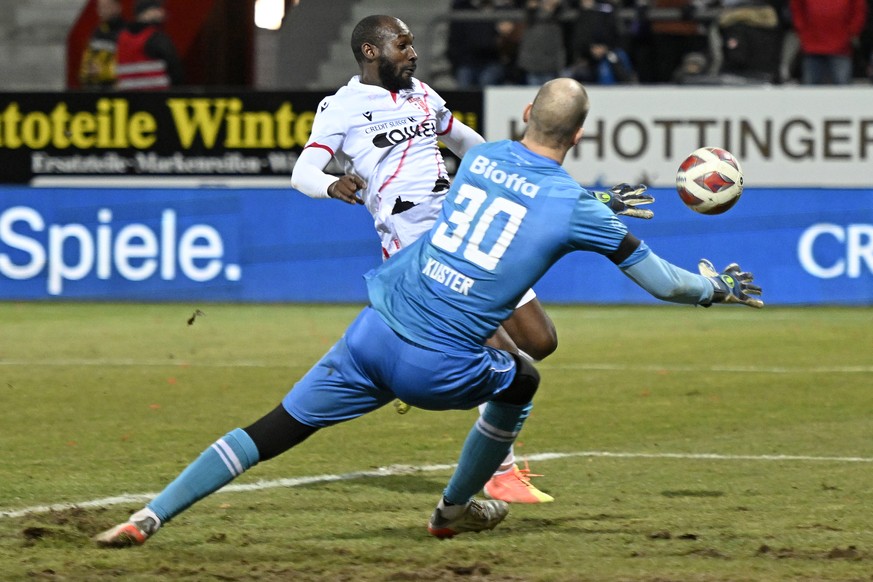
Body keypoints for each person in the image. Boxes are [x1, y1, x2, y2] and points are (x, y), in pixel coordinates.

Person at [93, 76, 763, 548]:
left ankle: (149, 517)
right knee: (524, 373)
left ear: (525, 111)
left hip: (372, 329)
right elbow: (663, 282)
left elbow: (508, 185)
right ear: (581, 134)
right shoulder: (573, 206)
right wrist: (715, 289)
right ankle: (451, 511)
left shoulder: (479, 161)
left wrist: (591, 206)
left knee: (271, 428)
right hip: (434, 366)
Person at [290, 15, 561, 504]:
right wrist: (331, 184)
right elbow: (302, 171)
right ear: (372, 52)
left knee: (541, 342)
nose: (413, 53)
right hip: (417, 245)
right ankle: (499, 468)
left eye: (413, 43)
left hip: (464, 229)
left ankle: (425, 383)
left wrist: (492, 174)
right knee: (499, 354)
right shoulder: (342, 107)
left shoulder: (422, 94)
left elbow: (467, 142)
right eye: (403, 44)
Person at [789, 0, 867, 85]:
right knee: (810, 92)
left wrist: (852, 32)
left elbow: (859, 10)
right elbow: (796, 9)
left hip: (841, 48)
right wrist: (802, 32)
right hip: (812, 47)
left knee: (843, 91)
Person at [115, 0, 184, 90]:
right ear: (147, 12)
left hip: (127, 98)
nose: (162, 13)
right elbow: (176, 71)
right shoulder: (157, 38)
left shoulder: (121, 37)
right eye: (157, 9)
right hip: (156, 97)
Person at [517, 0, 567, 85]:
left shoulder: (559, 16)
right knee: (535, 94)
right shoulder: (531, 13)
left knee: (548, 93)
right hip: (532, 62)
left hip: (551, 63)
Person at [79, 0, 126, 90]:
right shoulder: (97, 32)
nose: (102, 11)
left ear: (118, 7)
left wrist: (102, 72)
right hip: (94, 87)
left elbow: (128, 62)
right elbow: (87, 58)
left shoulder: (126, 33)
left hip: (116, 88)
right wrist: (86, 72)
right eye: (100, 7)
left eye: (106, 7)